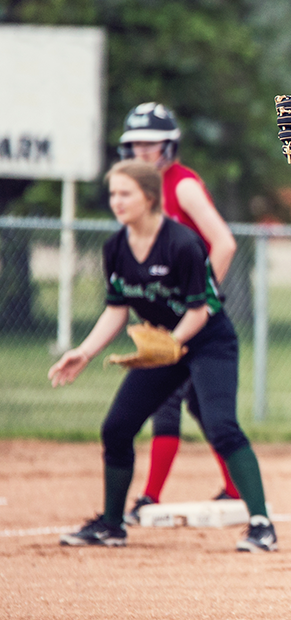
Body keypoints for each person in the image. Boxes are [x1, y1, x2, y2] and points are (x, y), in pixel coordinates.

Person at [48, 159, 277, 552]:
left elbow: (201, 308)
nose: (116, 202)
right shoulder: (116, 247)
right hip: (164, 347)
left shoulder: (181, 243)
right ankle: (112, 524)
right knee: (117, 428)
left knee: (221, 425)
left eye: (125, 193)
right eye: (113, 194)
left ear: (150, 198)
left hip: (208, 342)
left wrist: (171, 343)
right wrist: (84, 352)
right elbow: (117, 308)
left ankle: (261, 525)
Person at [114, 103, 242, 524]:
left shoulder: (181, 185)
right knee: (187, 405)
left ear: (168, 146)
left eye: (149, 143)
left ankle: (151, 496)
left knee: (191, 404)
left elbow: (223, 243)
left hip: (193, 317)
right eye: (135, 142)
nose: (141, 150)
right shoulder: (137, 190)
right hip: (167, 318)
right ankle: (226, 488)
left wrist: (203, 299)